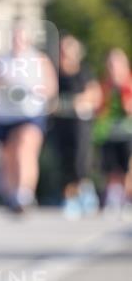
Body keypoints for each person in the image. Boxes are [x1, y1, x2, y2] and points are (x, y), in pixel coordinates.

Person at [0, 20, 57, 214]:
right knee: (8, 156)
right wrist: (1, 83)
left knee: (24, 148)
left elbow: (51, 87)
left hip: (30, 114)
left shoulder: (39, 60)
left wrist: (33, 90)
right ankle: (11, 194)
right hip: (4, 116)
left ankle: (24, 193)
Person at [51, 34, 101, 218]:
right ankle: (70, 198)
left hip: (80, 124)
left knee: (81, 160)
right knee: (65, 162)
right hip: (60, 124)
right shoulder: (55, 74)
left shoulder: (84, 72)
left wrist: (77, 101)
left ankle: (85, 193)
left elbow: (94, 95)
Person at [93, 48, 132, 212]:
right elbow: (98, 108)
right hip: (108, 133)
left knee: (127, 167)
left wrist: (122, 90)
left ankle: (127, 197)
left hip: (127, 132)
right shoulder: (103, 85)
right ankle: (112, 198)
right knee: (110, 168)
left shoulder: (128, 84)